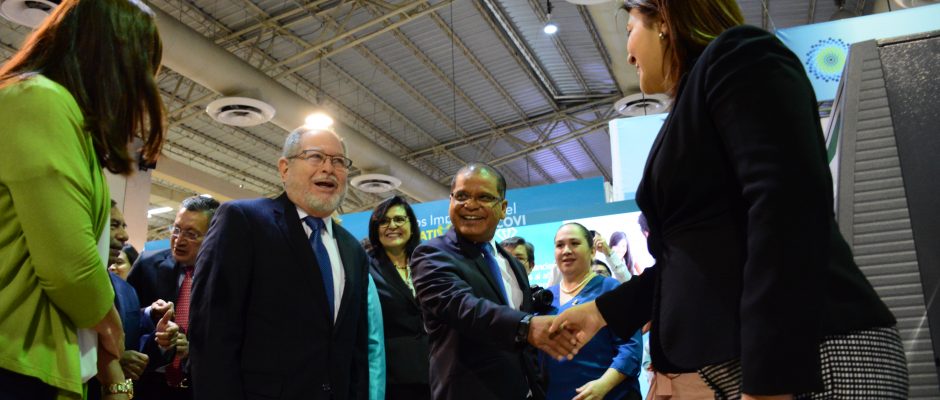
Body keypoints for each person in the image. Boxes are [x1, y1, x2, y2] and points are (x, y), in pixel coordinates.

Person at [551, 1, 907, 399]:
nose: (629, 54)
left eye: (630, 30)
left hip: (818, 360)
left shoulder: (739, 55)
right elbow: (694, 256)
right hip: (773, 366)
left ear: (664, 18)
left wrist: (771, 377)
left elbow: (785, 206)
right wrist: (601, 312)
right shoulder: (696, 96)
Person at [0, 0, 165, 396]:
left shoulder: (56, 111)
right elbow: (70, 268)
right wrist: (112, 326)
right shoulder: (40, 100)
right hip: (15, 358)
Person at [189, 127, 370, 400]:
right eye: (315, 156)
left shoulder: (353, 251)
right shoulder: (243, 221)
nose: (328, 168)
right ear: (285, 168)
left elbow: (355, 350)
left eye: (338, 161)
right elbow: (211, 333)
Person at [411, 162, 578, 400]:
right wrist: (526, 327)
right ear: (451, 201)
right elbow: (462, 307)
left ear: (503, 208)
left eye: (484, 197)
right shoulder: (431, 254)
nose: (470, 204)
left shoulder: (512, 264)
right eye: (462, 196)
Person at [128, 195, 219, 399]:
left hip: (199, 387)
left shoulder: (227, 277)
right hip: (148, 384)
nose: (179, 240)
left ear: (213, 235)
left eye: (191, 234)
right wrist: (150, 313)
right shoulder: (147, 265)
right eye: (176, 229)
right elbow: (126, 317)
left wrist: (192, 351)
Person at [542, 223, 643, 400]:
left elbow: (631, 348)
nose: (566, 250)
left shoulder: (611, 290)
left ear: (592, 251)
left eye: (574, 243)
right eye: (560, 245)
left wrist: (603, 385)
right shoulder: (546, 298)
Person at [367, 196, 431, 400]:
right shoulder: (365, 266)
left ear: (411, 226)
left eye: (399, 219)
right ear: (375, 229)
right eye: (384, 221)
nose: (392, 226)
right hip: (393, 379)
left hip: (436, 372)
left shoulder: (427, 261)